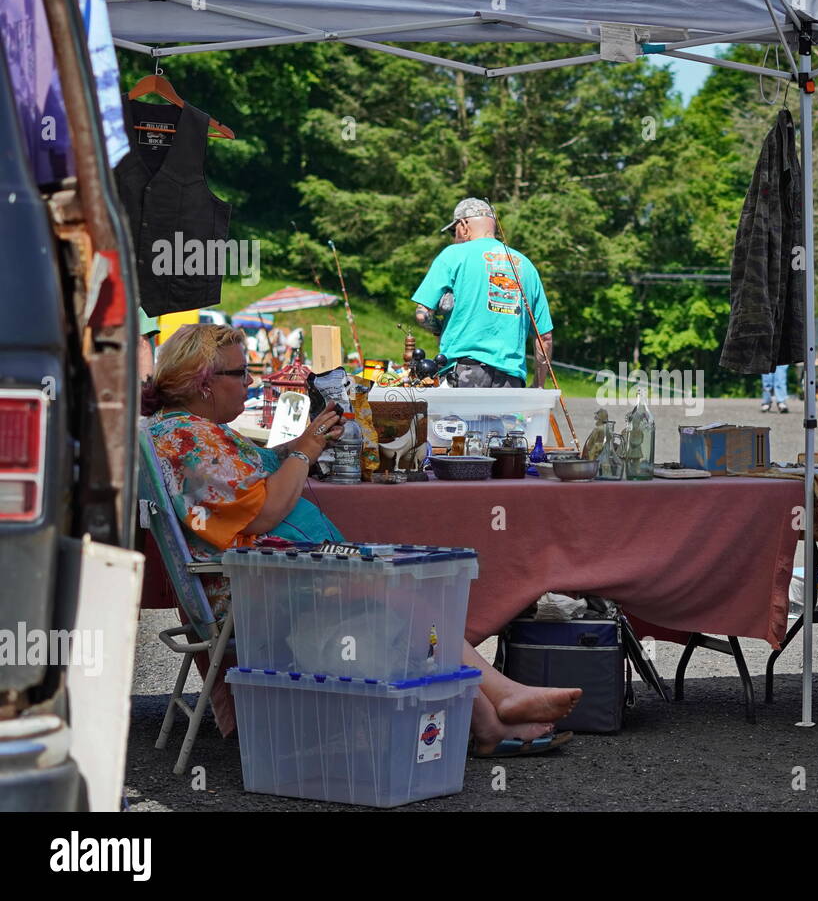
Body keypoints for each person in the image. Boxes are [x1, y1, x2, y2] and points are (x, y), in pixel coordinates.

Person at [142, 324, 581, 757]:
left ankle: (489, 719)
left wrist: (304, 441)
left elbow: (258, 469)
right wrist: (306, 450)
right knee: (396, 586)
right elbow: (266, 511)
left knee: (395, 588)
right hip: (257, 590)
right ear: (202, 383)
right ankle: (500, 699)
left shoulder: (185, 430)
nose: (250, 382)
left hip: (259, 579)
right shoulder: (190, 440)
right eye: (239, 374)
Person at [412, 198, 553, 388]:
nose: (455, 238)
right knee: (502, 420)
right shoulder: (526, 265)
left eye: (454, 232)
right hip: (511, 381)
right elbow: (544, 338)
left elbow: (422, 314)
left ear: (463, 225)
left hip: (463, 374)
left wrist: (438, 328)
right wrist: (538, 385)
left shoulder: (453, 254)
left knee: (455, 419)